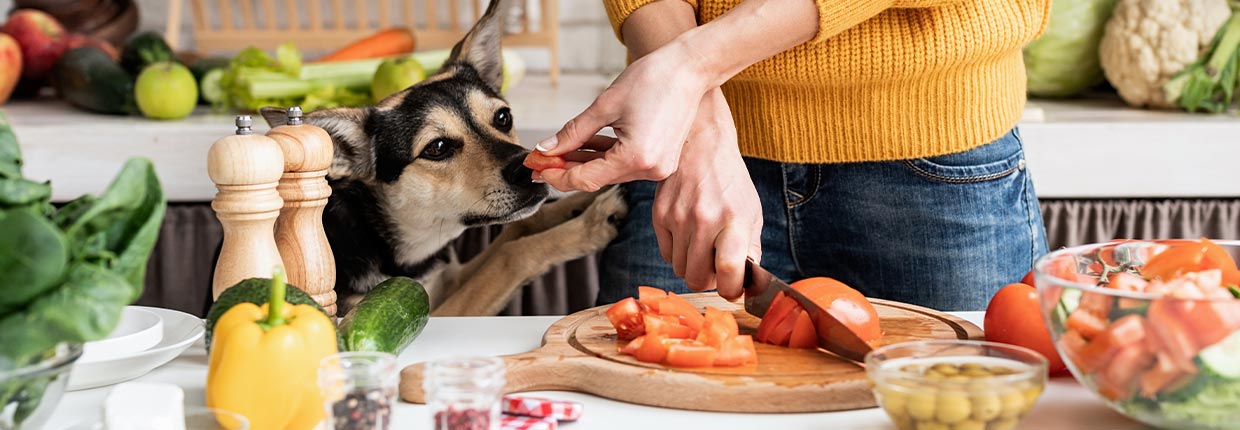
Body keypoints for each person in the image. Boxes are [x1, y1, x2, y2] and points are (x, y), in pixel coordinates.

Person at [532, 0, 1052, 311]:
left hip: (935, 153)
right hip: (681, 151)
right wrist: (699, 124)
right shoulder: (691, 124)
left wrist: (690, 70)